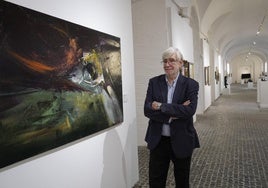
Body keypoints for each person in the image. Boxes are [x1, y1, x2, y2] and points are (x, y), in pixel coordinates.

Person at [144, 47, 200, 188]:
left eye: (172, 60)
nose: (167, 64)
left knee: (182, 180)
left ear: (181, 63)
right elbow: (147, 110)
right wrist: (172, 115)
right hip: (158, 140)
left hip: (182, 139)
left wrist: (162, 106)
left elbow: (190, 111)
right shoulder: (154, 82)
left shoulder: (190, 84)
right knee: (156, 180)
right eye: (165, 61)